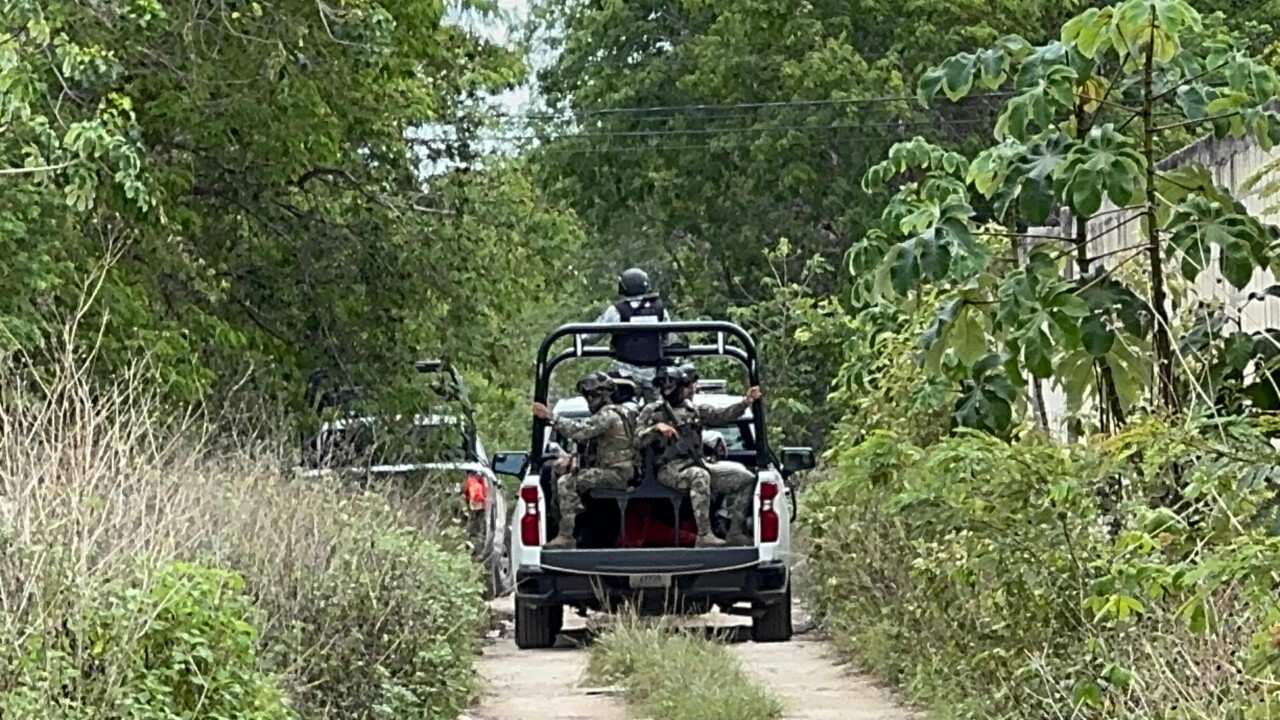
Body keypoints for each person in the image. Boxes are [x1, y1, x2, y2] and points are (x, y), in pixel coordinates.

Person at [636, 368, 762, 547]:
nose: (667, 391)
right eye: (663, 387)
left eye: (672, 386)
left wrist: (746, 401)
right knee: (699, 476)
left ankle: (735, 531)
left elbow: (722, 416)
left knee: (745, 478)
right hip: (669, 469)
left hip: (698, 463)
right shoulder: (652, 410)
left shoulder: (692, 409)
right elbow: (637, 439)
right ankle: (704, 534)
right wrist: (655, 429)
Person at [532, 371, 637, 549]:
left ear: (606, 394)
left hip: (616, 474)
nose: (589, 400)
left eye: (593, 395)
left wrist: (549, 417)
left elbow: (581, 430)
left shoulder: (608, 415)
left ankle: (566, 536)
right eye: (587, 395)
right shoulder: (623, 413)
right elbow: (588, 444)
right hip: (619, 472)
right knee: (562, 473)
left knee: (567, 483)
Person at [584, 268, 675, 398]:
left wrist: (580, 340)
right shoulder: (659, 309)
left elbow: (591, 335)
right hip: (653, 375)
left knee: (613, 403)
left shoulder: (616, 310)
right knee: (657, 410)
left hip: (623, 374)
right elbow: (669, 338)